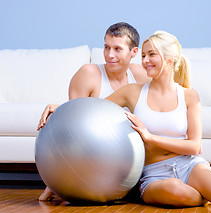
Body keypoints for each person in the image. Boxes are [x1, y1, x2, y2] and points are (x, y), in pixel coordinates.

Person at [106, 30, 211, 207]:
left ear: (170, 59)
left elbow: (194, 147)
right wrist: (63, 108)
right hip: (153, 173)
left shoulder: (189, 96)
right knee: (176, 190)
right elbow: (94, 109)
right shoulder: (132, 92)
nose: (144, 61)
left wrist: (150, 137)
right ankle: (206, 196)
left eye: (151, 54)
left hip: (189, 165)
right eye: (143, 55)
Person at [37, 22, 150, 201]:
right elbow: (74, 125)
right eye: (106, 47)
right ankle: (58, 184)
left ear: (134, 52)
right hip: (94, 156)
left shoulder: (139, 74)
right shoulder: (89, 74)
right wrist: (60, 109)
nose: (110, 55)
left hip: (129, 154)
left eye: (117, 49)